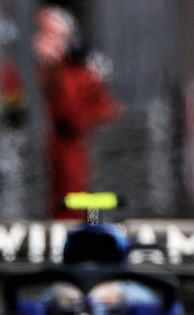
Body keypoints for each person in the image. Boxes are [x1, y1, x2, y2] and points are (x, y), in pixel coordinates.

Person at [42, 32, 119, 217]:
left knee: (70, 189)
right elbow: (77, 115)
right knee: (72, 188)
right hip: (69, 141)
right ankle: (72, 226)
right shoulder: (74, 78)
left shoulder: (68, 76)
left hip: (69, 141)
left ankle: (72, 224)